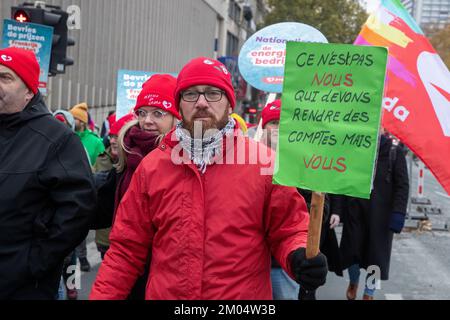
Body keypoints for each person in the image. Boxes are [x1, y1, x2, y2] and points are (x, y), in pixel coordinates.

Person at [90, 57, 328, 300]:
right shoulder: (152, 168)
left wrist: (298, 254)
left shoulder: (265, 164)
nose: (202, 102)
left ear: (230, 105)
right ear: (180, 106)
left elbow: (288, 229)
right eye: (191, 94)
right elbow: (125, 251)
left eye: (213, 93)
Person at [0, 47, 96, 300]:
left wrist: (35, 263)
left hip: (24, 286)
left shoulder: (57, 139)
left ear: (30, 90)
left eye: (5, 78)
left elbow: (78, 209)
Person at [93, 74, 180, 300]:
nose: (147, 121)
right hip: (127, 265)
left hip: (168, 276)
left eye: (157, 113)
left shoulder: (185, 161)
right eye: (142, 112)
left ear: (176, 118)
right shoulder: (126, 155)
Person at [259, 99, 343, 300]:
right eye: (273, 123)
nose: (278, 129)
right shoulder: (248, 159)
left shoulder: (305, 163)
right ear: (264, 127)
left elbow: (319, 210)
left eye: (282, 123)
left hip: (286, 263)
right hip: (253, 262)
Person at [337, 129, 409, 300]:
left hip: (381, 217)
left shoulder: (394, 152)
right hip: (355, 211)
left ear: (383, 129)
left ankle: (369, 293)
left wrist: (398, 213)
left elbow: (402, 185)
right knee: (351, 252)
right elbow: (340, 180)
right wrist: (338, 211)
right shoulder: (354, 148)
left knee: (375, 257)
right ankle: (353, 281)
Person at [69, 102, 105, 272]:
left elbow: (103, 165)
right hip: (66, 190)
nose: (72, 120)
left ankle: (81, 258)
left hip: (86, 189)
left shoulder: (95, 142)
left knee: (79, 228)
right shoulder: (65, 136)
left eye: (75, 117)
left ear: (82, 121)